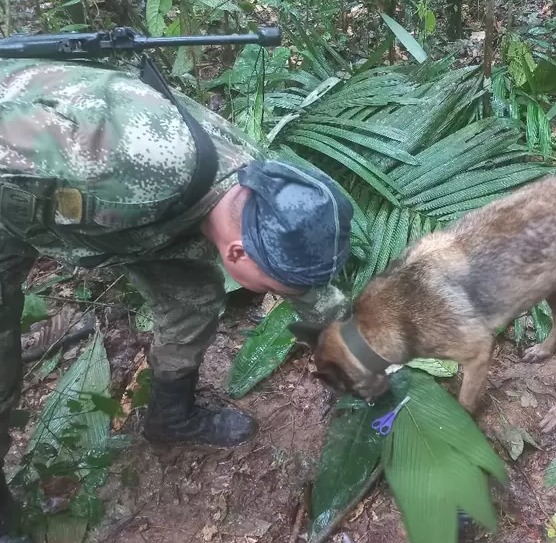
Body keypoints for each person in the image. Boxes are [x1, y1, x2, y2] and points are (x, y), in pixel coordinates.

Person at [0, 57, 354, 540]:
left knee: (192, 298)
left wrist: (357, 350)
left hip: (127, 219)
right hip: (14, 194)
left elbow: (306, 288)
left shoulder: (257, 189)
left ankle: (171, 416)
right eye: (271, 288)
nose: (274, 296)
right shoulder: (128, 171)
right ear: (237, 250)